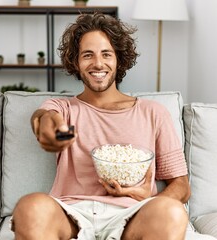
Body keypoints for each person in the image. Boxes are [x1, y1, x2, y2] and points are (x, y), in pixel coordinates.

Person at [11, 12, 191, 240]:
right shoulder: (64, 108)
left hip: (133, 214)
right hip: (72, 213)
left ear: (119, 59)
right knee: (30, 206)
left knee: (172, 212)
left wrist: (149, 198)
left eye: (106, 54)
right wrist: (48, 127)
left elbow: (182, 186)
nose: (98, 63)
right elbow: (44, 117)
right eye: (88, 55)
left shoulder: (153, 113)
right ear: (75, 61)